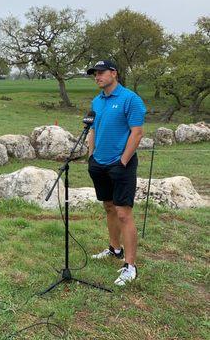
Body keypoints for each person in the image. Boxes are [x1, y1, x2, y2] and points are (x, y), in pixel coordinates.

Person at [86, 60, 146, 286]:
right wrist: (91, 156)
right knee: (109, 206)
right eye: (95, 74)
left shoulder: (130, 99)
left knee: (123, 213)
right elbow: (92, 129)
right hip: (98, 163)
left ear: (114, 73)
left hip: (121, 164)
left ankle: (130, 266)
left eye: (101, 73)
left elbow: (137, 133)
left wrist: (122, 161)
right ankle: (115, 249)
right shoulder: (97, 101)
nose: (97, 77)